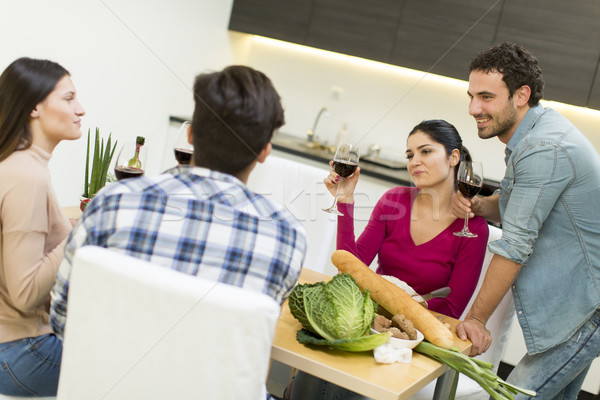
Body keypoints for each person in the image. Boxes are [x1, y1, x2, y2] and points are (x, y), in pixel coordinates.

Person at [50, 64, 307, 340]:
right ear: (264, 152)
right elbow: (254, 340)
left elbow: (63, 317)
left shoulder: (114, 201)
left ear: (190, 135)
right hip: (211, 384)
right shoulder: (288, 237)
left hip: (104, 380)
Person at [288, 120, 489, 400]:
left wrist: (394, 312)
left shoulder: (474, 228)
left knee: (360, 371)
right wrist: (345, 199)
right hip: (372, 318)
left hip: (414, 333)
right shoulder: (394, 201)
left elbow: (452, 306)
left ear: (454, 157)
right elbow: (351, 266)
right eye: (410, 155)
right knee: (319, 359)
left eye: (425, 152)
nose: (414, 161)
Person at [454, 41, 600, 399]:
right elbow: (519, 204)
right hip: (581, 305)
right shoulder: (537, 133)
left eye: (486, 97)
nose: (474, 108)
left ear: (522, 95)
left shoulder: (542, 148)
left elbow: (516, 245)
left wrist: (475, 318)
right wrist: (480, 207)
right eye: (471, 96)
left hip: (587, 310)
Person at [0, 57, 85, 396]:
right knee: (135, 359)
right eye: (69, 98)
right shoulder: (27, 176)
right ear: (35, 107)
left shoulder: (18, 164)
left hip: (12, 348)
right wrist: (81, 235)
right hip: (19, 352)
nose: (80, 109)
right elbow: (24, 294)